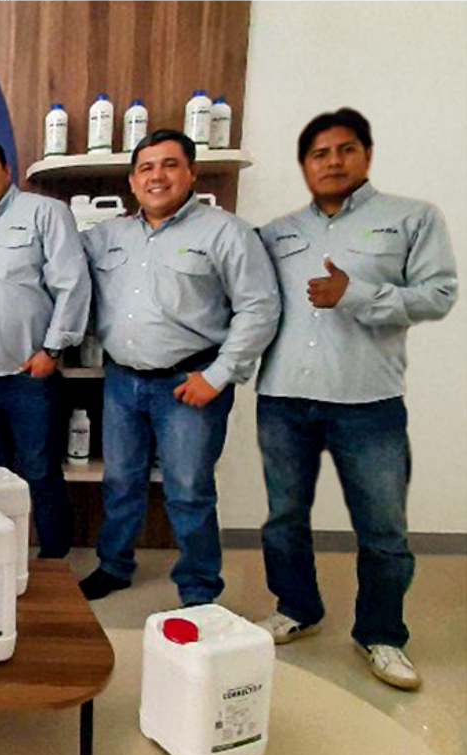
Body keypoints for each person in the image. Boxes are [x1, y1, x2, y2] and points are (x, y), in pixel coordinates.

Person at [253, 108, 457, 691]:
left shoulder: (410, 218)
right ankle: (296, 607)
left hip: (368, 400)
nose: (333, 162)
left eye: (345, 149)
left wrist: (358, 293)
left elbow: (440, 293)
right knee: (284, 518)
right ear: (304, 165)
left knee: (383, 527)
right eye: (319, 154)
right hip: (284, 397)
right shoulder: (277, 232)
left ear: (366, 154)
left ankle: (382, 634)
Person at [79, 129, 279, 606]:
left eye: (169, 165)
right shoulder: (108, 236)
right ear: (132, 181)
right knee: (120, 482)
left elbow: (260, 308)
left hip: (190, 382)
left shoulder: (226, 232)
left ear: (192, 173)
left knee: (189, 491)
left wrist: (218, 376)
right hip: (122, 381)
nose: (157, 176)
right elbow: (57, 264)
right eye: (146, 167)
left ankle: (199, 587)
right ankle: (114, 566)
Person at [0, 139, 91, 559]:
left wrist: (52, 350)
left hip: (27, 374)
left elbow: (73, 284)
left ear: (7, 171)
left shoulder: (45, 213)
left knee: (40, 471)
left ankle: (54, 559)